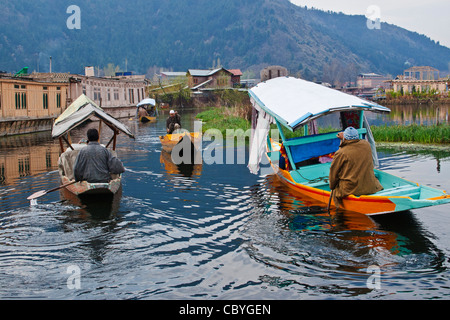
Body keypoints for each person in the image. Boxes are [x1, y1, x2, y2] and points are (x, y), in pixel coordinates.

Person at [329, 126, 383, 207]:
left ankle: (339, 210)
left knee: (335, 190)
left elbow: (334, 173)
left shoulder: (341, 153)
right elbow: (348, 146)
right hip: (370, 185)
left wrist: (332, 186)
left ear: (345, 138)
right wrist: (343, 139)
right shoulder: (366, 145)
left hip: (351, 189)